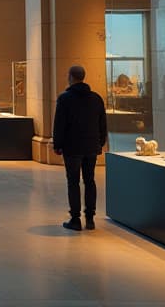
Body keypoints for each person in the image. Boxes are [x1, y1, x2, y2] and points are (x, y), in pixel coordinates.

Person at [53, 64, 107, 231]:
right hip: (91, 146)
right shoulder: (96, 98)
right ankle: (90, 218)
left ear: (70, 77)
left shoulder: (64, 99)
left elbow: (59, 124)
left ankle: (75, 219)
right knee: (90, 181)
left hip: (72, 147)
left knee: (73, 182)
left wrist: (57, 144)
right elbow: (102, 124)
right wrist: (100, 143)